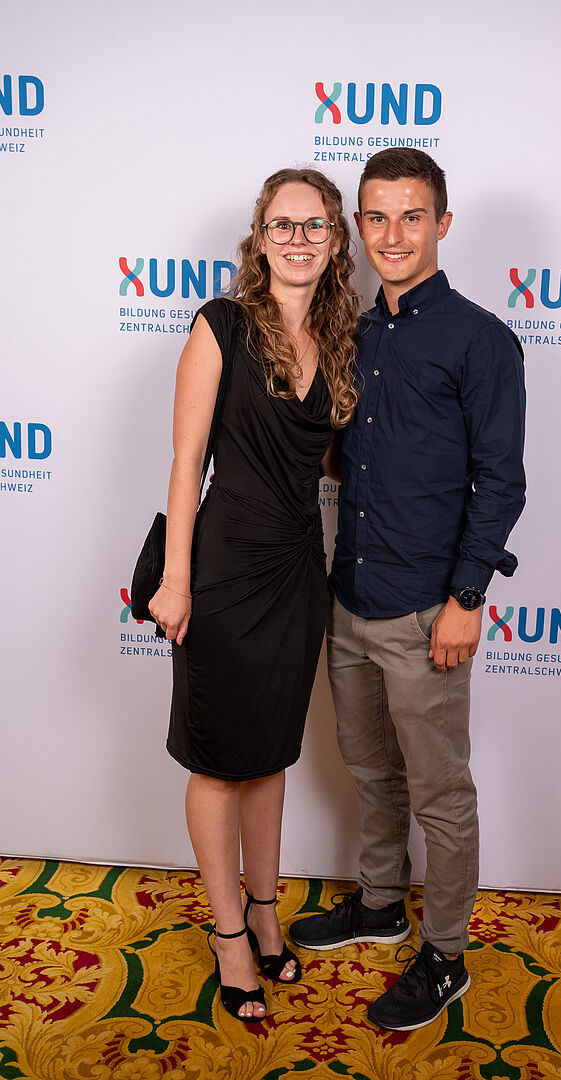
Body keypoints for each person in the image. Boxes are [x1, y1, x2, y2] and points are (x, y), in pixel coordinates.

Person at [289, 148, 526, 1032]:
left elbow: (500, 481)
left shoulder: (478, 338)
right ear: (358, 226)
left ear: (441, 224)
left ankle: (446, 955)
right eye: (377, 217)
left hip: (428, 608)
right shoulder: (354, 332)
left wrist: (466, 598)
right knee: (368, 767)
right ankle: (381, 903)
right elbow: (341, 458)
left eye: (412, 215)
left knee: (440, 793)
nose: (393, 234)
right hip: (349, 591)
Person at [148, 168, 358, 1023]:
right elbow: (186, 462)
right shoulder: (223, 325)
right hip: (225, 567)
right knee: (218, 759)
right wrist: (175, 580)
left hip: (299, 568)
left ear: (335, 240)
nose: (298, 240)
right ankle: (229, 933)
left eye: (314, 226)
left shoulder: (342, 339)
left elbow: (332, 459)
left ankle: (267, 912)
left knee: (269, 752)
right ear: (259, 237)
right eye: (282, 225)